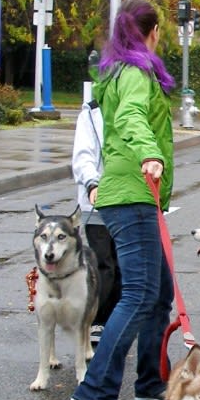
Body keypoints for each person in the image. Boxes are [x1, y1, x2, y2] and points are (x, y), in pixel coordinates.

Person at [70, 0, 177, 400]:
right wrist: (151, 154)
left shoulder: (115, 71)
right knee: (139, 293)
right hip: (132, 192)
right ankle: (96, 392)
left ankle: (150, 384)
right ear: (151, 33)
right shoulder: (136, 72)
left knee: (157, 291)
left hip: (128, 194)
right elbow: (133, 117)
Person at [71, 99, 121, 345]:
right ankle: (97, 320)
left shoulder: (135, 104)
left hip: (128, 200)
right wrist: (92, 182)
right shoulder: (91, 113)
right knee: (103, 264)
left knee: (123, 265)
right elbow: (83, 154)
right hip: (98, 202)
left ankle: (115, 318)